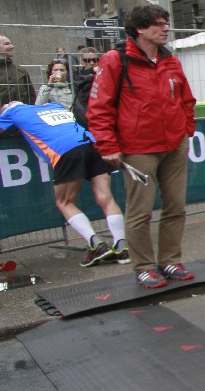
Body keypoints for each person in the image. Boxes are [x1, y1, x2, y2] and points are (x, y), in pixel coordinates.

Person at [88, 5, 197, 290]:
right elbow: (99, 107)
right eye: (158, 24)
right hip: (138, 148)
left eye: (165, 23)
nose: (165, 28)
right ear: (140, 28)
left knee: (176, 206)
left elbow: (186, 98)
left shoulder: (170, 60)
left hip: (174, 144)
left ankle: (170, 260)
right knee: (140, 211)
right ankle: (145, 267)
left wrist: (186, 130)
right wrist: (108, 145)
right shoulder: (115, 60)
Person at [0, 100, 128, 266]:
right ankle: (121, 246)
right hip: (91, 143)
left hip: (65, 150)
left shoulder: (12, 112)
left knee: (64, 202)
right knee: (106, 197)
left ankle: (96, 244)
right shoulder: (53, 105)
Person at [0, 34, 36, 106]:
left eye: (11, 43)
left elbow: (31, 95)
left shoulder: (21, 70)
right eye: (7, 44)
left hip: (21, 111)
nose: (12, 46)